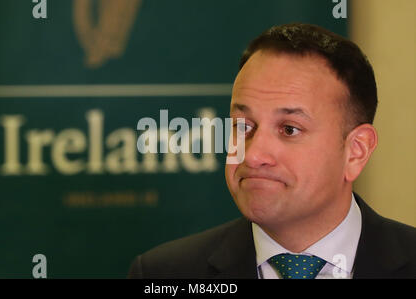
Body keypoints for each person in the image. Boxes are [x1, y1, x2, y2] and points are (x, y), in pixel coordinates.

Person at [127, 23, 416, 279]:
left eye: (289, 129)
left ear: (356, 151)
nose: (252, 156)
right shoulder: (163, 274)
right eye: (243, 126)